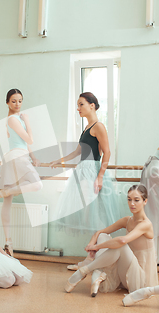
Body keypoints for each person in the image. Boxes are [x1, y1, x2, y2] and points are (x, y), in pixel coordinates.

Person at [64, 185, 158, 297]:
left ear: (145, 201)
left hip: (140, 280)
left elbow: (123, 240)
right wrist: (91, 245)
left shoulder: (146, 224)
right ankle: (96, 271)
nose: (132, 203)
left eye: (136, 200)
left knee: (121, 245)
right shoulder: (127, 220)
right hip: (124, 273)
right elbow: (100, 232)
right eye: (129, 199)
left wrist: (97, 247)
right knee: (104, 236)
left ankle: (85, 271)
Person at [50, 92, 120, 233]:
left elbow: (107, 152)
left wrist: (100, 177)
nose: (78, 108)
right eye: (78, 105)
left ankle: (98, 248)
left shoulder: (98, 126)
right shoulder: (87, 128)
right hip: (83, 170)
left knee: (91, 210)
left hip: (91, 170)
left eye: (81, 104)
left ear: (92, 105)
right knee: (87, 211)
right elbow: (77, 152)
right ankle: (95, 249)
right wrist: (60, 160)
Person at [0, 89, 43, 256]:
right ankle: (8, 241)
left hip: (15, 157)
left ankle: (8, 243)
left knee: (8, 201)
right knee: (37, 184)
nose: (17, 104)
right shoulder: (14, 119)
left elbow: (24, 143)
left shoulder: (13, 120)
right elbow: (30, 139)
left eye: (20, 101)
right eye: (14, 101)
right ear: (7, 102)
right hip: (16, 157)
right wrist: (27, 121)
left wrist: (33, 157)